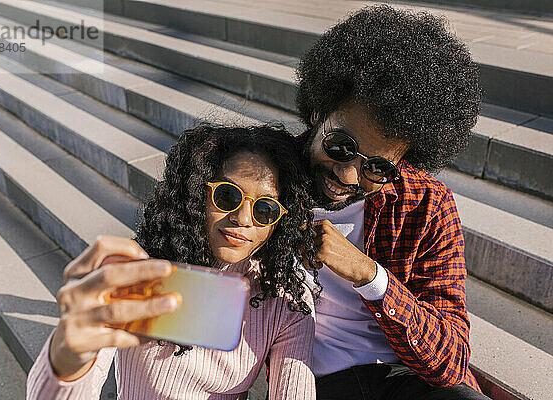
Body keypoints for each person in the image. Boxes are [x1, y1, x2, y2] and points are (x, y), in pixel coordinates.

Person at [26, 124, 320, 399]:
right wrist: (67, 358)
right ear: (196, 193)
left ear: (282, 220)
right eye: (227, 196)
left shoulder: (286, 297)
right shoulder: (141, 271)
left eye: (265, 209)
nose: (243, 219)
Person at [294, 5, 490, 399]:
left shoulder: (425, 204)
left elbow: (452, 356)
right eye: (340, 146)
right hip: (310, 380)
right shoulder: (259, 180)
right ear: (318, 111)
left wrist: (370, 276)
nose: (348, 175)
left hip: (405, 377)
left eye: (377, 168)